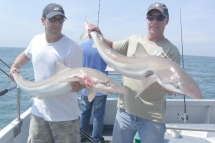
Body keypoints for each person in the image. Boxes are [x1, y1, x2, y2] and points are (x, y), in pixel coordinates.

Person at [88, 2, 181, 143]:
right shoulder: (133, 40)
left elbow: (169, 89)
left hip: (152, 117)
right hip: (125, 111)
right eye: (151, 17)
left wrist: (171, 87)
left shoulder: (171, 51)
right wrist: (97, 34)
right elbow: (111, 46)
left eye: (160, 17)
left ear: (167, 20)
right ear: (146, 19)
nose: (155, 21)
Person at [10, 3, 84, 143]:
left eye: (60, 20)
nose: (57, 23)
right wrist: (14, 67)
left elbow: (76, 83)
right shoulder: (36, 40)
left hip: (65, 115)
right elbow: (26, 55)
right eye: (53, 19)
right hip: (39, 111)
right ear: (43, 20)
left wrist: (79, 86)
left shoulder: (72, 47)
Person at [79, 33, 108, 143]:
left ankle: (82, 137)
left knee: (84, 113)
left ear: (88, 35)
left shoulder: (82, 46)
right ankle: (96, 139)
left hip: (86, 87)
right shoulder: (104, 46)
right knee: (98, 114)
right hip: (101, 87)